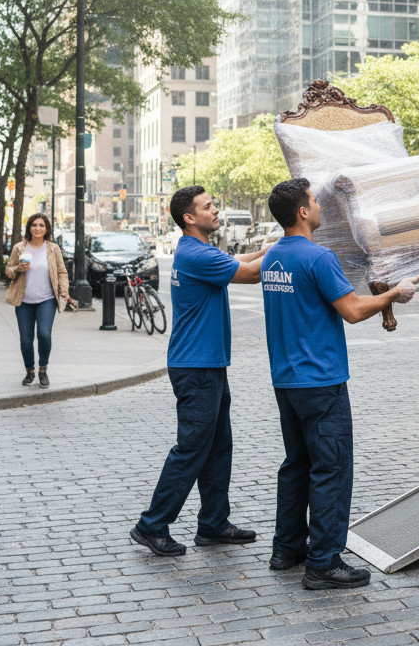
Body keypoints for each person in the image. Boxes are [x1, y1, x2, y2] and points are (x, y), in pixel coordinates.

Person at [262, 178, 419, 590]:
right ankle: (324, 562)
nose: (319, 207)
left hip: (287, 380)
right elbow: (351, 310)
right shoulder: (319, 258)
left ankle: (287, 548)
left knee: (297, 464)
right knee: (331, 468)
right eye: (314, 201)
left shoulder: (273, 258)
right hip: (321, 380)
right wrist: (393, 295)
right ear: (302, 211)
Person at [130, 185, 267, 558]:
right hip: (196, 367)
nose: (216, 210)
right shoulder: (196, 255)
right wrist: (290, 244)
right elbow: (252, 274)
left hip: (208, 365)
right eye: (209, 207)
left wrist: (274, 245)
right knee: (191, 448)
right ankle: (152, 524)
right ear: (189, 218)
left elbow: (246, 260)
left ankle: (213, 523)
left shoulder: (200, 250)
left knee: (219, 445)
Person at [4, 214, 72, 388]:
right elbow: (8, 271)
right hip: (24, 300)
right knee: (26, 340)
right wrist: (18, 268)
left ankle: (43, 369)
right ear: (29, 228)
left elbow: (62, 272)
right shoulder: (20, 248)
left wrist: (64, 291)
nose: (38, 228)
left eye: (41, 225)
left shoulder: (53, 249)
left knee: (44, 334)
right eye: (34, 225)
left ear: (46, 228)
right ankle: (29, 370)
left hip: (46, 299)